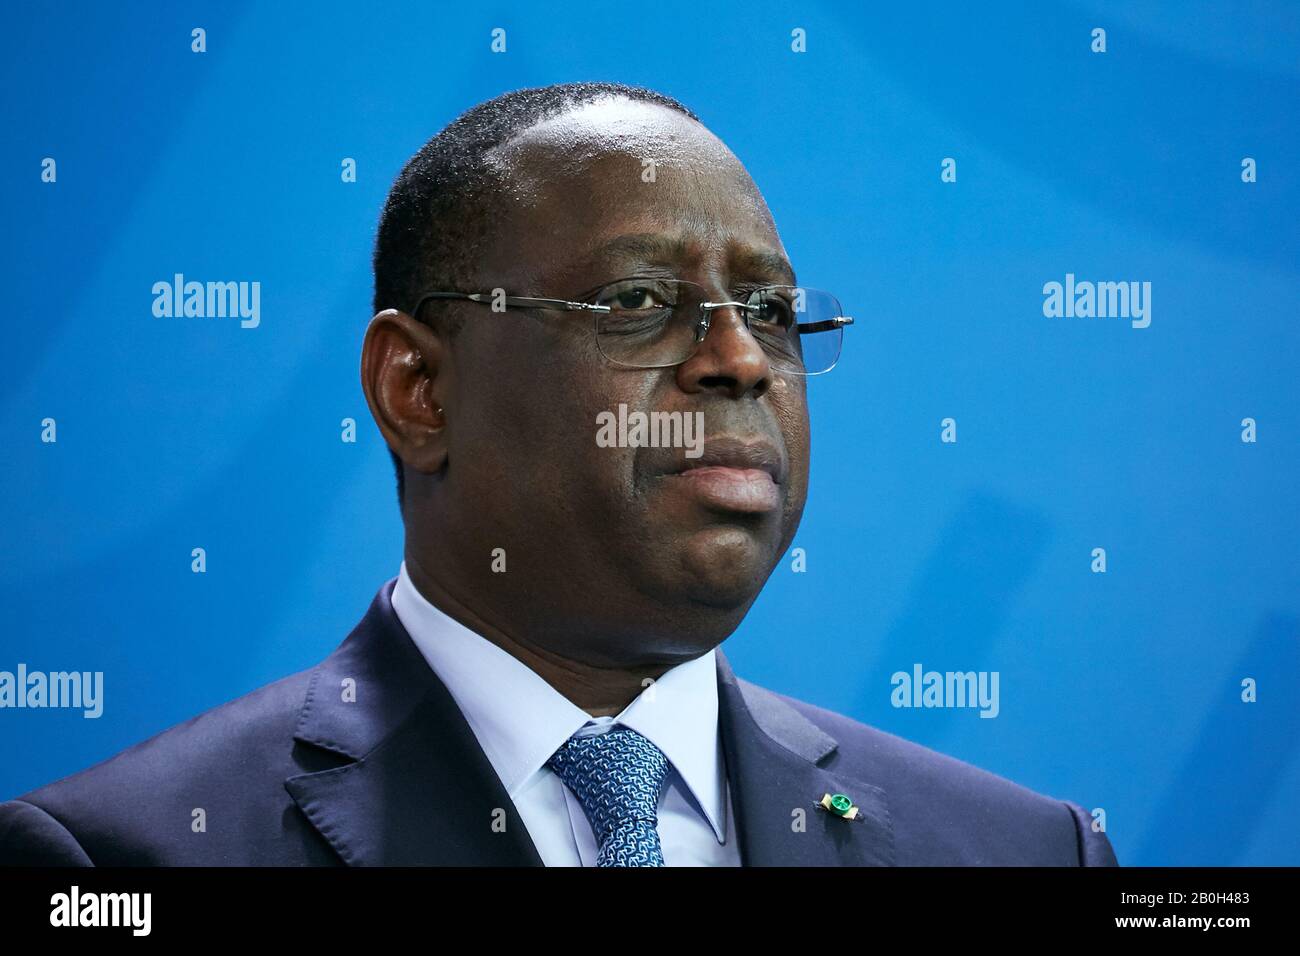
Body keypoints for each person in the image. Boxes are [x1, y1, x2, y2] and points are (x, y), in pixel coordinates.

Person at [0, 82, 1117, 866]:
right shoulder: (111, 862)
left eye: (772, 313)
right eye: (635, 303)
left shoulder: (1026, 849)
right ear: (417, 391)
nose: (737, 360)